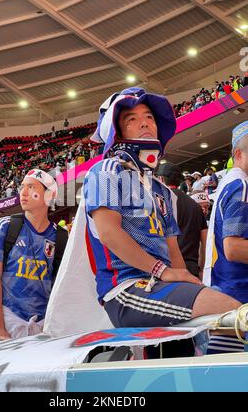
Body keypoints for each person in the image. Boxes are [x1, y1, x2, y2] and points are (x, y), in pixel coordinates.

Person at [84, 87, 240, 334]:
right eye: (132, 119)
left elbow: (172, 249)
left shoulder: (161, 189)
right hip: (127, 288)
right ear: (118, 132)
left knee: (224, 312)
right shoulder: (106, 171)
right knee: (231, 310)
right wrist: (162, 271)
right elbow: (108, 233)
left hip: (160, 285)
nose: (144, 123)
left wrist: (190, 282)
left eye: (149, 117)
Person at [0, 169, 58, 341]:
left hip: (45, 325)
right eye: (22, 187)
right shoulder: (4, 226)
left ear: (48, 195)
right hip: (9, 320)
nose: (23, 192)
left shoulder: (60, 236)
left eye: (31, 187)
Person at [203, 121, 248, 353]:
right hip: (239, 294)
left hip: (226, 289)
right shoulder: (241, 185)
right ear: (238, 154)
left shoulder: (230, 183)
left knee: (222, 365)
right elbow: (233, 247)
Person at [156, 162, 208, 279]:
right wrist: (202, 270)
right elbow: (205, 242)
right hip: (192, 269)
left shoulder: (158, 202)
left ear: (160, 179)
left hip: (167, 271)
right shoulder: (195, 206)